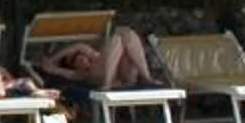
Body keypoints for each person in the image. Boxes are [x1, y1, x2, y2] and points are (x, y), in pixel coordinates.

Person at [31, 26, 163, 97]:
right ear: (73, 66)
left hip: (125, 74)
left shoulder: (96, 57)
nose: (82, 59)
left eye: (82, 56)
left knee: (128, 34)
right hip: (107, 80)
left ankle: (147, 77)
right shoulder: (80, 75)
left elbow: (78, 46)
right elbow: (53, 69)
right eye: (77, 61)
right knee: (117, 38)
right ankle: (107, 83)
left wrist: (53, 58)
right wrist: (50, 65)